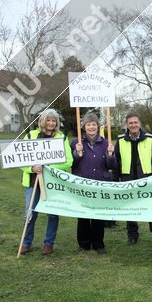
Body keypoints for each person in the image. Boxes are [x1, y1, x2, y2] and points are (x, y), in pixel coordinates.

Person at [19, 109, 73, 256]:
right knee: (29, 214)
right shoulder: (31, 136)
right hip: (32, 182)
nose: (51, 123)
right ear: (43, 121)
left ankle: (49, 243)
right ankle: (26, 243)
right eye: (48, 120)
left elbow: (68, 161)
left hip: (52, 183)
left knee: (53, 214)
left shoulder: (61, 138)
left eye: (53, 120)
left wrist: (47, 168)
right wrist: (31, 168)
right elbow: (20, 159)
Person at [70, 113, 116, 254]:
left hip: (100, 183)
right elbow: (71, 163)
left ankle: (98, 244)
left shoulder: (106, 143)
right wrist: (77, 153)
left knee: (98, 215)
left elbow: (111, 166)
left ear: (98, 126)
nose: (91, 127)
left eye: (94, 124)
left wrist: (110, 155)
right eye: (88, 124)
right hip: (82, 183)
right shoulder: (76, 142)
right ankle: (84, 244)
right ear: (84, 127)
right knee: (83, 214)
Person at [114, 113, 152, 246]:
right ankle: (132, 235)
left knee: (151, 208)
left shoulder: (150, 139)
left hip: (147, 179)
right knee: (130, 209)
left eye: (135, 122)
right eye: (130, 123)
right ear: (126, 125)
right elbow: (116, 162)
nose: (133, 125)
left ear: (139, 124)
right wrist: (115, 181)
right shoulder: (120, 140)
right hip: (128, 180)